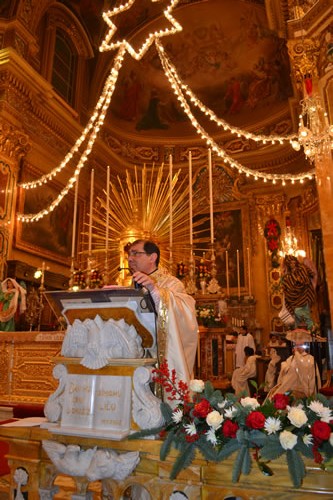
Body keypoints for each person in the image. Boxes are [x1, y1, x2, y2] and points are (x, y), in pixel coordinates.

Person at [127, 239, 198, 386]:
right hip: (135, 352)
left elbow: (184, 316)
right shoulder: (131, 285)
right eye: (129, 254)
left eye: (136, 253)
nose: (130, 258)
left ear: (152, 257)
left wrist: (154, 290)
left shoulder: (172, 284)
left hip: (159, 354)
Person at [282, 255, 316, 330]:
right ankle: (301, 335)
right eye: (289, 263)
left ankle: (310, 330)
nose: (291, 264)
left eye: (292, 262)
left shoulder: (302, 268)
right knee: (297, 316)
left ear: (295, 261)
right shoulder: (288, 276)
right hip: (294, 299)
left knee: (305, 315)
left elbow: (311, 275)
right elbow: (287, 286)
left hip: (304, 295)